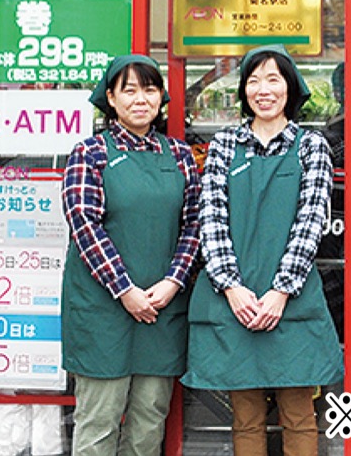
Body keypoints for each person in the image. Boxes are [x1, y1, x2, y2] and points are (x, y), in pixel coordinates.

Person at [184, 45, 343, 456]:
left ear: (290, 88)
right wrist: (232, 288)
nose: (263, 89)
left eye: (273, 79)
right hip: (234, 298)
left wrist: (280, 291)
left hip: (290, 298)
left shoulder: (311, 147)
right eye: (253, 80)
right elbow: (211, 221)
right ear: (244, 91)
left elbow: (311, 223)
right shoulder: (222, 147)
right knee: (246, 415)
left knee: (299, 414)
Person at [61, 55, 201, 456]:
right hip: (103, 311)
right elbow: (85, 226)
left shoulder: (178, 155)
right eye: (130, 89)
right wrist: (125, 290)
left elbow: (194, 225)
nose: (141, 98)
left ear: (162, 97)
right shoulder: (89, 153)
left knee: (148, 424)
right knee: (99, 423)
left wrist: (173, 281)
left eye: (150, 89)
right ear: (111, 98)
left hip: (161, 308)